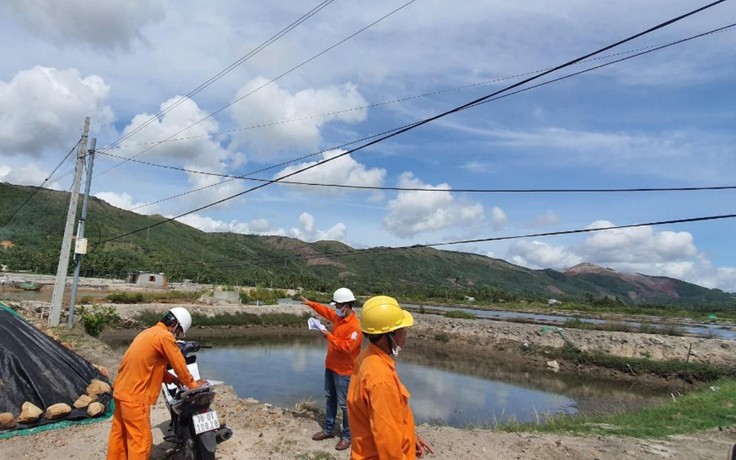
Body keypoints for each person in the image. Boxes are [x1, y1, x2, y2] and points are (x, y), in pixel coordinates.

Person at [107, 307, 205, 460]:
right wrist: (192, 385)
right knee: (141, 441)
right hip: (135, 396)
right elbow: (179, 364)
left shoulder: (148, 333)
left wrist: (172, 379)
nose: (176, 335)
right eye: (178, 332)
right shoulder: (165, 337)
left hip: (121, 391)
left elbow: (150, 366)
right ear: (175, 325)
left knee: (119, 436)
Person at [347, 295, 434, 459]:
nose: (405, 334)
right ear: (389, 335)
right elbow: (386, 440)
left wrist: (409, 436)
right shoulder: (381, 378)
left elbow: (388, 418)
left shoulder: (367, 357)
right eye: (401, 329)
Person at [301, 287, 363, 451]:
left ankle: (347, 436)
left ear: (347, 306)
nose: (335, 308)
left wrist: (328, 335)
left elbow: (347, 348)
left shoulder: (355, 327)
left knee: (345, 405)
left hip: (345, 372)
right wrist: (310, 303)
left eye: (338, 305)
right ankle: (328, 429)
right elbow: (326, 311)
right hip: (331, 367)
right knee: (330, 398)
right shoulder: (338, 318)